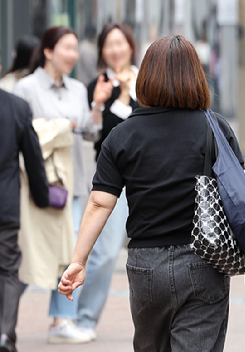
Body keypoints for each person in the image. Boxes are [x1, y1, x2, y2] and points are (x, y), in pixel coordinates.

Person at [58, 35, 245, 352]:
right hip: (205, 260)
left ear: (145, 78)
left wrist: (78, 261)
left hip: (145, 266)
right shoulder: (214, 127)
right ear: (196, 77)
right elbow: (242, 199)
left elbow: (99, 203)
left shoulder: (121, 136)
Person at [12, 26, 105, 344]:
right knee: (31, 254)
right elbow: (21, 133)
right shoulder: (26, 88)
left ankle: (61, 321)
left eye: (76, 49)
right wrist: (64, 127)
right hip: (39, 186)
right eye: (67, 48)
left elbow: (92, 134)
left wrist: (97, 107)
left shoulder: (78, 89)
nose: (73, 55)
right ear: (49, 51)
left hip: (74, 183)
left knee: (72, 253)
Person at [74, 23, 140, 341]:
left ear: (130, 46)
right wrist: (116, 96)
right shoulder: (97, 85)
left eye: (120, 43)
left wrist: (132, 89)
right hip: (113, 180)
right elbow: (107, 131)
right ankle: (83, 318)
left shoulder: (149, 80)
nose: (115, 50)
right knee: (104, 252)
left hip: (147, 176)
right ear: (102, 51)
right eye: (108, 45)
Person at [0, 59, 50, 352]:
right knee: (7, 270)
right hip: (5, 205)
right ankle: (5, 335)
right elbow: (34, 159)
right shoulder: (16, 107)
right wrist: (43, 198)